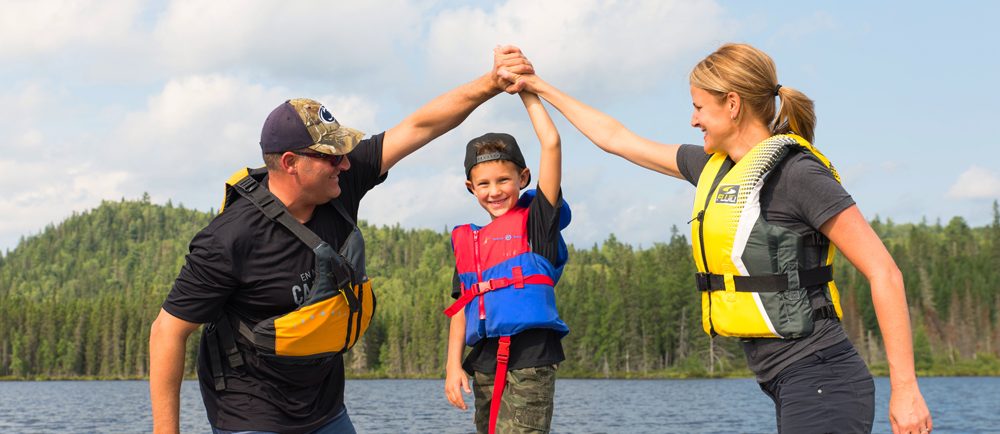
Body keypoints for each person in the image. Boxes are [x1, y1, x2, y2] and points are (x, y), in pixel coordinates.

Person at [496, 43, 933, 434]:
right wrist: (536, 86)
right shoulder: (714, 168)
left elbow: (884, 273)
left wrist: (906, 389)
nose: (692, 120)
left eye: (699, 107)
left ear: (733, 104)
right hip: (785, 378)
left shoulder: (797, 174)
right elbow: (616, 139)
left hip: (823, 377)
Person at [148, 47, 535, 434]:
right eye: (332, 157)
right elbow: (167, 331)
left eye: (345, 153)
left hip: (325, 405)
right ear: (289, 163)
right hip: (250, 409)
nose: (346, 164)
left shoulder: (339, 185)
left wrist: (491, 83)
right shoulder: (229, 239)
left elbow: (420, 126)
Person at [442, 91, 569, 434]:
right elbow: (461, 307)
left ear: (523, 178)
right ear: (471, 187)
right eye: (483, 183)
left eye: (503, 180)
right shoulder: (471, 243)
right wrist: (453, 366)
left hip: (531, 359)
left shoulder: (538, 222)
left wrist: (527, 89)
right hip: (484, 362)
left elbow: (552, 143)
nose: (494, 191)